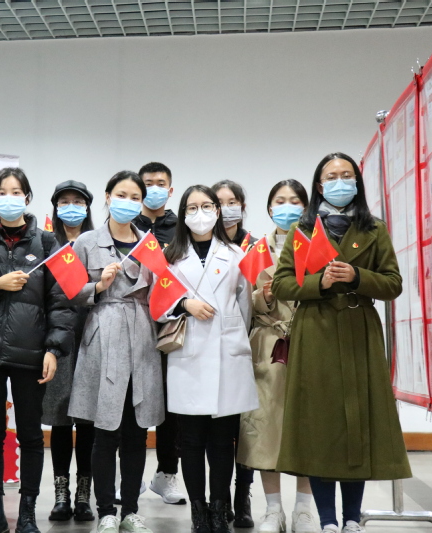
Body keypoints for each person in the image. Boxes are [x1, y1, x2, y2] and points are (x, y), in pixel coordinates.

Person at [272, 153, 411, 533]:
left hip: (359, 329)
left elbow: (393, 284)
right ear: (319, 185)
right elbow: (282, 285)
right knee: (319, 424)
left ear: (357, 182)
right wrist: (320, 283)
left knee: (357, 422)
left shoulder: (374, 228)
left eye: (346, 175)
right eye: (331, 176)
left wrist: (356, 276)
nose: (339, 182)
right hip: (314, 332)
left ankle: (352, 519)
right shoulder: (302, 230)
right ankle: (328, 521)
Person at [0, 168, 75, 533]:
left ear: (27, 198)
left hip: (31, 354)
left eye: (16, 191)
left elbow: (62, 302)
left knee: (31, 436)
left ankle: (27, 513)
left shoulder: (48, 243)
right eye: (2, 192)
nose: (9, 198)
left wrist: (53, 349)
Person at [68, 171, 165, 533]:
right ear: (108, 197)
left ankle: (131, 510)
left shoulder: (150, 245)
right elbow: (68, 294)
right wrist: (98, 286)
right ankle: (106, 509)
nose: (128, 202)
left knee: (137, 431)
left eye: (135, 197)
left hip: (141, 336)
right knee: (105, 429)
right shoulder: (87, 242)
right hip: (103, 336)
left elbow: (163, 292)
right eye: (121, 194)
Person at [159, 185, 258, 533]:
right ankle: (198, 513)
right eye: (192, 207)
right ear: (183, 213)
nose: (199, 213)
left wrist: (233, 336)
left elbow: (245, 308)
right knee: (190, 441)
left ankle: (219, 509)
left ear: (217, 211)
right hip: (188, 354)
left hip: (227, 355)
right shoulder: (170, 256)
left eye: (206, 206)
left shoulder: (235, 253)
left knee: (222, 441)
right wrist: (184, 304)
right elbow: (157, 303)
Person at [236, 180, 319, 533]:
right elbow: (242, 303)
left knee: (307, 427)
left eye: (295, 201)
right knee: (263, 427)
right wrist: (265, 297)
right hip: (268, 344)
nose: (287, 207)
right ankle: (273, 510)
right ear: (270, 209)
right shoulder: (255, 250)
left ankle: (303, 509)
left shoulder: (318, 247)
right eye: (280, 201)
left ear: (306, 207)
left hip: (310, 342)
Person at [132, 161, 186, 506]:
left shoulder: (181, 229)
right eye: (147, 183)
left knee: (170, 405)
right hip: (134, 324)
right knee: (134, 401)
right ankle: (132, 474)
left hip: (170, 328)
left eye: (160, 183)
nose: (154, 189)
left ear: (170, 189)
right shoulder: (127, 226)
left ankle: (166, 474)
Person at [44, 180, 96, 522]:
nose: (71, 207)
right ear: (55, 207)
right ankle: (61, 494)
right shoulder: (47, 244)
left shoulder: (97, 243)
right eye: (65, 201)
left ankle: (83, 495)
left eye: (78, 201)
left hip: (91, 336)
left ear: (88, 207)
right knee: (61, 418)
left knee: (88, 419)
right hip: (57, 340)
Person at [211, 179, 257, 526]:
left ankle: (244, 496)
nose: (227, 208)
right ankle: (221, 497)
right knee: (218, 432)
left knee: (245, 429)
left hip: (251, 345)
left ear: (242, 206)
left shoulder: (254, 247)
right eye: (220, 202)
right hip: (214, 350)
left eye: (232, 202)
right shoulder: (205, 245)